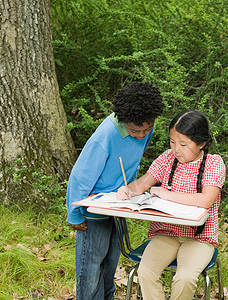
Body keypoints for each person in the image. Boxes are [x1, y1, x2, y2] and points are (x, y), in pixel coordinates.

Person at [66, 81, 164, 300]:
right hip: (94, 207)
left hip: (120, 204)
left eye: (147, 129)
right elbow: (80, 177)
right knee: (91, 266)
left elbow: (133, 159)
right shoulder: (106, 135)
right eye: (135, 131)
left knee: (111, 262)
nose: (142, 135)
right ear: (124, 120)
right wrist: (74, 214)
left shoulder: (145, 125)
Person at [116, 109, 226, 300]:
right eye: (172, 142)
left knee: (184, 278)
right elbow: (142, 183)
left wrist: (167, 195)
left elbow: (206, 200)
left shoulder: (213, 163)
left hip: (199, 239)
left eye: (183, 144)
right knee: (146, 272)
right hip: (166, 234)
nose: (176, 149)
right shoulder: (167, 159)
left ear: (201, 143)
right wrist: (127, 189)